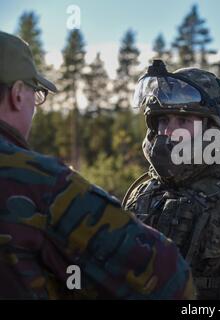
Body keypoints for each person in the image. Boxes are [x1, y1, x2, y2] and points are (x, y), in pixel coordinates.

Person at [0, 31, 193, 299]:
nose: (169, 132)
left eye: (182, 122)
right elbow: (169, 275)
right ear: (18, 94)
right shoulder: (41, 184)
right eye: (37, 93)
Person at [123, 60, 220, 299]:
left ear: (212, 129)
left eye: (183, 121)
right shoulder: (143, 193)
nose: (168, 131)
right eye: (163, 120)